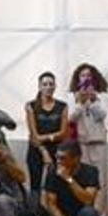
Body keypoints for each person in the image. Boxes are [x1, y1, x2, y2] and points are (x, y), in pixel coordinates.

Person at [68, 63, 108, 216]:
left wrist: (92, 101)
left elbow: (102, 116)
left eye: (89, 75)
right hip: (80, 144)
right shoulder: (72, 97)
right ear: (78, 78)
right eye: (83, 75)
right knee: (82, 181)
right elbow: (70, 118)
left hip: (98, 142)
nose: (86, 78)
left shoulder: (102, 96)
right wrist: (79, 102)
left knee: (100, 181)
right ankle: (84, 215)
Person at [40, 141, 101, 216]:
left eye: (62, 158)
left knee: (90, 214)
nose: (58, 161)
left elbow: (88, 200)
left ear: (76, 159)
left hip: (80, 215)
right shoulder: (52, 171)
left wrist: (68, 179)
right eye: (57, 157)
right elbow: (51, 204)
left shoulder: (91, 171)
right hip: (60, 215)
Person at [24, 72, 68, 201]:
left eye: (51, 84)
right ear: (39, 87)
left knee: (56, 184)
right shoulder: (31, 106)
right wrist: (44, 152)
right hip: (36, 150)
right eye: (45, 84)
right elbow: (33, 135)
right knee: (35, 185)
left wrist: (46, 137)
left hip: (57, 151)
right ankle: (34, 215)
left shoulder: (62, 106)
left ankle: (55, 215)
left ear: (55, 86)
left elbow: (63, 133)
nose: (48, 87)